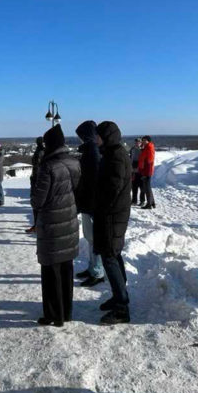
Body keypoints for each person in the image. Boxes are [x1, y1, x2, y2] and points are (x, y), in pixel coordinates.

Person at [30, 124, 81, 326]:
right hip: (68, 220)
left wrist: (34, 184)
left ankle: (53, 315)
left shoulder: (48, 167)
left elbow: (37, 200)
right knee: (66, 269)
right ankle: (66, 312)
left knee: (51, 271)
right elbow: (76, 190)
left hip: (51, 224)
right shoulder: (74, 162)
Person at [94, 121, 133, 325]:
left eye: (98, 136)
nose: (96, 139)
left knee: (110, 256)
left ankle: (121, 308)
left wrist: (98, 204)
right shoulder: (113, 153)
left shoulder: (116, 156)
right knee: (113, 255)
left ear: (107, 136)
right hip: (113, 215)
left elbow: (112, 188)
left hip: (111, 216)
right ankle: (119, 296)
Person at [74, 120, 105, 286]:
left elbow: (91, 180)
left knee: (94, 239)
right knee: (89, 237)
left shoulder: (92, 151)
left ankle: (98, 271)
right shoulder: (90, 149)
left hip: (92, 202)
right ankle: (92, 267)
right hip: (88, 201)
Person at [26, 137, 45, 234]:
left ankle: (37, 226)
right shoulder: (41, 151)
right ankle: (37, 226)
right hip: (37, 179)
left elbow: (37, 166)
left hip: (38, 180)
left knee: (36, 204)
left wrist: (34, 179)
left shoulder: (40, 152)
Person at [138, 135, 156, 209]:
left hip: (147, 172)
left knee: (147, 188)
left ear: (148, 141)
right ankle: (152, 203)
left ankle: (149, 204)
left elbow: (149, 162)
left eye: (144, 140)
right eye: (143, 140)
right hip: (145, 171)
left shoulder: (149, 148)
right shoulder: (146, 148)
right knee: (147, 187)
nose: (143, 141)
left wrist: (146, 173)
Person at [130, 138, 143, 206]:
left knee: (141, 186)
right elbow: (130, 158)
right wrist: (131, 167)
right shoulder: (132, 149)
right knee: (134, 186)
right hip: (133, 168)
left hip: (140, 169)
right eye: (136, 142)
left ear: (141, 143)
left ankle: (142, 201)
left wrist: (139, 168)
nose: (137, 143)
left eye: (139, 142)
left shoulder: (142, 150)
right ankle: (134, 200)